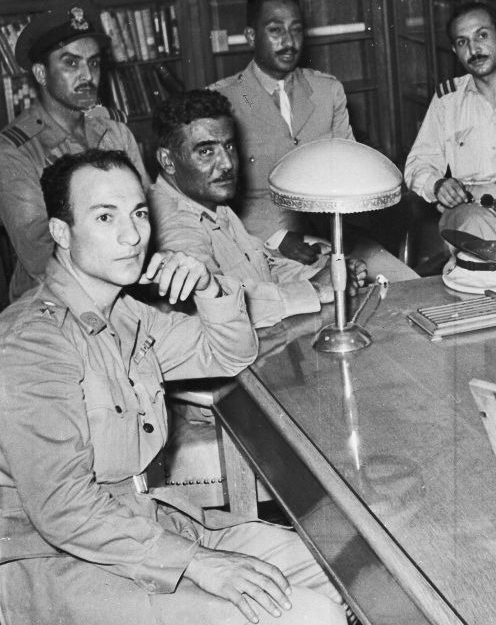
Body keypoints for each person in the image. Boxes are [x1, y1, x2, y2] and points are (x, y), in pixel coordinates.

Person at [0, 150, 346, 625]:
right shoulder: (32, 344)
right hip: (60, 563)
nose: (132, 235)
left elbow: (230, 352)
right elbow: (62, 508)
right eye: (105, 217)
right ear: (62, 232)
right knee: (306, 615)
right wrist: (201, 563)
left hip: (150, 526)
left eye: (139, 213)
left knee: (343, 569)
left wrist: (208, 287)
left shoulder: (124, 315)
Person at [150, 89, 369, 329]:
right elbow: (211, 303)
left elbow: (257, 274)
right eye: (206, 151)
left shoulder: (208, 201)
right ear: (167, 161)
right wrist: (315, 289)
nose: (227, 164)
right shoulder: (173, 223)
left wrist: (326, 273)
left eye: (229, 147)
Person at [0, 3, 150, 302]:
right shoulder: (14, 151)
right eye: (71, 64)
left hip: (126, 289)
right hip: (52, 303)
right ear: (41, 73)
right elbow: (39, 252)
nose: (87, 75)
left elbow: (147, 209)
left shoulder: (114, 132)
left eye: (93, 63)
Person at [209, 0, 355, 264]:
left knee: (402, 283)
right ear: (252, 36)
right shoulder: (222, 100)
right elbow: (214, 199)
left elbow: (349, 176)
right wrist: (277, 236)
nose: (289, 41)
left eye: (296, 30)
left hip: (334, 233)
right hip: (255, 244)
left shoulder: (328, 91)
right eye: (276, 31)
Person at [403, 2, 496, 244]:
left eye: (482, 35)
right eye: (462, 42)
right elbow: (419, 163)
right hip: (466, 211)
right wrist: (438, 185)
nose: (474, 49)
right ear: (454, 50)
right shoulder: (447, 99)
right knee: (479, 227)